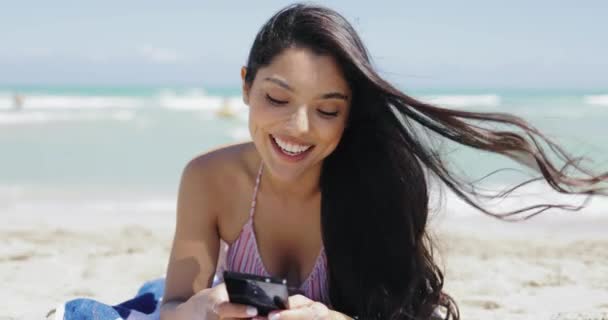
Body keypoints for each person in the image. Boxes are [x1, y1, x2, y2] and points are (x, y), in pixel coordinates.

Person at [159, 4, 607, 320]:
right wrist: (199, 311)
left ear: (351, 112)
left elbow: (409, 313)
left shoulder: (378, 184)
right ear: (246, 86)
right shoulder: (209, 178)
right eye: (277, 98)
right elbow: (174, 306)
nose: (299, 127)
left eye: (328, 109)